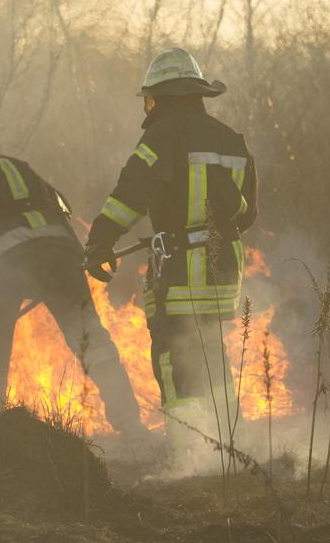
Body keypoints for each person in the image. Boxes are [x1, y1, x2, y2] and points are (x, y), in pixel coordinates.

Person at [0, 137, 147, 438]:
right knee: (91, 342)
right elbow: (63, 207)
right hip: (62, 254)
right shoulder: (11, 163)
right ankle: (132, 426)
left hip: (2, 263)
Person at [83, 47, 257, 465]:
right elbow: (247, 214)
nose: (149, 107)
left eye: (150, 98)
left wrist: (100, 241)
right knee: (212, 356)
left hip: (181, 270)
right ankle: (228, 455)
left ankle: (189, 459)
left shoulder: (162, 135)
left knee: (173, 358)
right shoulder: (232, 140)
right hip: (224, 270)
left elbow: (132, 192)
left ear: (164, 97)